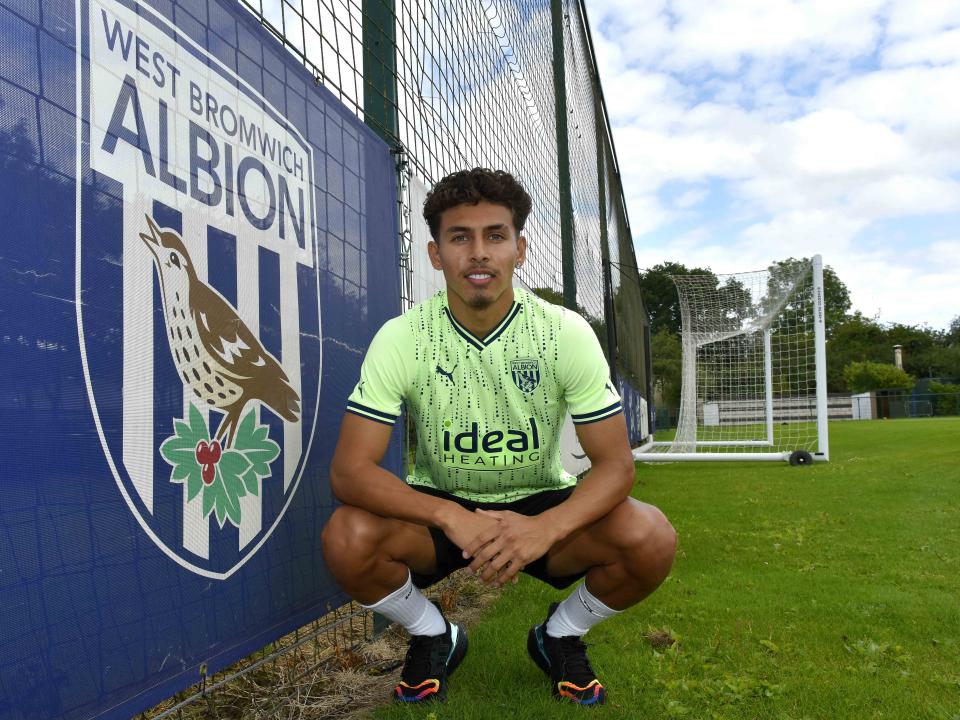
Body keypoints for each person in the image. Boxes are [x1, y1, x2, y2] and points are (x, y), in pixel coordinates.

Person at [321, 168, 676, 706]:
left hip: (539, 505)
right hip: (443, 508)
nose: (478, 253)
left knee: (650, 537)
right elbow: (350, 472)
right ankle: (432, 632)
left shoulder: (564, 331)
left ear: (520, 248)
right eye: (460, 237)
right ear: (437, 255)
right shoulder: (402, 338)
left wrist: (545, 527)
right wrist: (449, 516)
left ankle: (559, 636)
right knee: (347, 537)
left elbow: (616, 467)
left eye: (495, 235)